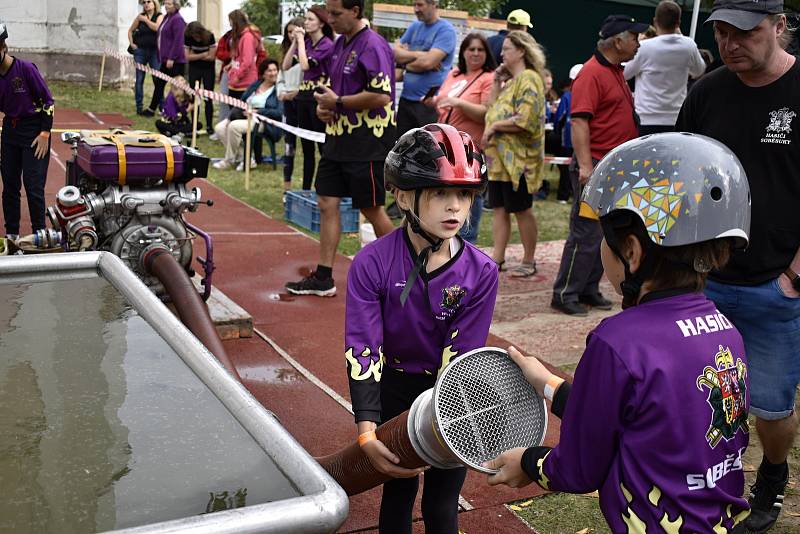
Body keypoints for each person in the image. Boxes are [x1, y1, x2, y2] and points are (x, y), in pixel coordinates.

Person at [484, 132, 752, 533]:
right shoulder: (725, 330)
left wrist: (527, 461)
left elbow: (578, 470)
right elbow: (641, 414)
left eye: (604, 241)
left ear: (632, 250)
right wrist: (547, 384)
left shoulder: (618, 341)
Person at [675, 1, 800, 531]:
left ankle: (772, 475)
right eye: (723, 33)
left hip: (777, 283)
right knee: (702, 393)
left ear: (780, 26)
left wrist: (794, 277)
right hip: (707, 280)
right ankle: (710, 476)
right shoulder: (707, 92)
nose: (731, 44)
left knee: (771, 407)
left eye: (745, 33)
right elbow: (679, 170)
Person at [347, 124, 497, 534]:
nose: (454, 207)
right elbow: (364, 346)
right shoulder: (371, 264)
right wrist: (366, 431)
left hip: (455, 393)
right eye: (439, 193)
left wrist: (444, 419)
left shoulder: (482, 271)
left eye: (464, 195)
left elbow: (462, 352)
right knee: (397, 495)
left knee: (442, 506)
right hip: (393, 387)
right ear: (402, 197)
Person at [285, 0, 396, 297]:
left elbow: (381, 95)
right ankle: (323, 276)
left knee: (371, 208)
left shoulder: (373, 45)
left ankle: (406, 273)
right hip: (337, 137)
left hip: (367, 142)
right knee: (326, 201)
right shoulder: (340, 44)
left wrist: (337, 103)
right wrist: (327, 109)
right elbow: (335, 92)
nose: (329, 20)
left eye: (336, 14)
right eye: (329, 13)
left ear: (355, 11)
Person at [551, 14, 649, 316]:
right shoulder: (592, 73)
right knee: (585, 232)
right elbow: (579, 121)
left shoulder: (614, 70)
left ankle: (589, 288)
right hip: (595, 166)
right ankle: (566, 292)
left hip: (611, 166)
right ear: (618, 41)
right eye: (635, 37)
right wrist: (585, 167)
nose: (638, 43)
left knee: (606, 233)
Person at [482, 30, 546, 278]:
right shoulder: (510, 82)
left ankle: (529, 260)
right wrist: (497, 82)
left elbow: (526, 120)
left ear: (521, 51)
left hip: (519, 161)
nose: (501, 53)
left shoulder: (529, 78)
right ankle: (497, 258)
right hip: (499, 160)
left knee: (521, 209)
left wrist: (495, 127)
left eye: (507, 48)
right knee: (499, 207)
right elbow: (491, 109)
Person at [427, 31, 496, 244]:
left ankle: (466, 251)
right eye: (471, 49)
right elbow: (442, 99)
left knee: (466, 200)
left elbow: (486, 112)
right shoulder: (454, 73)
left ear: (487, 53)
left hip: (468, 151)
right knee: (442, 200)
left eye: (480, 49)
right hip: (443, 147)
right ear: (463, 52)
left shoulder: (488, 78)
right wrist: (434, 101)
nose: (475, 53)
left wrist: (458, 104)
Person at [0, 20, 54, 241]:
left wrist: (44, 134)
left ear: (3, 47)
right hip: (10, 132)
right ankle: (12, 234)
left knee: (33, 187)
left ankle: (39, 235)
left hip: (34, 131)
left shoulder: (26, 69)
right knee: (10, 186)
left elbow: (48, 102)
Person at [624, 1, 706, 135]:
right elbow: (699, 71)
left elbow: (625, 74)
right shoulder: (688, 45)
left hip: (646, 118)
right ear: (678, 23)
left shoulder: (644, 47)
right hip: (676, 117)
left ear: (655, 21)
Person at [282, 5, 334, 190]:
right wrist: (296, 42)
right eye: (305, 19)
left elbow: (305, 66)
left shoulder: (327, 44)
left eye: (310, 19)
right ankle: (305, 189)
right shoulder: (308, 44)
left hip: (317, 97)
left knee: (321, 146)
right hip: (303, 97)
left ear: (321, 22)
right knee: (306, 148)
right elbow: (286, 65)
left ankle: (324, 189)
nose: (306, 22)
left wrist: (301, 42)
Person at [393, 0, 457, 136]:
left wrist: (405, 61)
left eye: (420, 5)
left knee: (428, 150)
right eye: (414, 5)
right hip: (406, 100)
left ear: (434, 4)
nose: (416, 9)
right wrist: (420, 55)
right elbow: (395, 54)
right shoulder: (414, 27)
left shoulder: (445, 30)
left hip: (429, 103)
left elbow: (427, 63)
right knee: (402, 147)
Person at [212, 59, 283, 172]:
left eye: (275, 70)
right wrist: (229, 117)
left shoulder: (279, 90)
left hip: (264, 122)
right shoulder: (256, 85)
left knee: (234, 126)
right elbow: (242, 102)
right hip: (244, 117)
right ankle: (245, 158)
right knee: (220, 128)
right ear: (263, 73)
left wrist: (258, 112)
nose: (273, 73)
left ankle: (229, 160)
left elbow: (278, 113)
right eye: (270, 71)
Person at [277, 17, 305, 191]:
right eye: (289, 31)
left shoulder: (306, 50)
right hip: (288, 102)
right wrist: (282, 92)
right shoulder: (286, 51)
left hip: (302, 100)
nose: (291, 35)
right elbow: (283, 72)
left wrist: (299, 92)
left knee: (308, 146)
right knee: (289, 146)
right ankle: (286, 187)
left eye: (295, 31)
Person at [144, 0, 186, 116]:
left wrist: (172, 58)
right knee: (159, 84)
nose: (166, 6)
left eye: (169, 4)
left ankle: (180, 111)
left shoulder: (178, 19)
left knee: (178, 87)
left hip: (175, 61)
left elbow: (178, 40)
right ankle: (152, 109)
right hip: (165, 58)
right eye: (165, 4)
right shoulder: (167, 17)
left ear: (175, 5)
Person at [128, 0, 163, 116]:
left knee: (157, 79)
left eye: (149, 1)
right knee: (139, 79)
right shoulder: (140, 17)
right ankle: (139, 107)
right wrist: (133, 44)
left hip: (154, 52)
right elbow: (130, 30)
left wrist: (146, 21)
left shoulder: (159, 16)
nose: (146, 4)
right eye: (144, 2)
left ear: (154, 3)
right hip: (140, 51)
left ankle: (162, 107)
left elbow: (157, 28)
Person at [553, 63, 582, 203]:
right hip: (584, 140)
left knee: (565, 169)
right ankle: (579, 196)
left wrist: (557, 132)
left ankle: (563, 196)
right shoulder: (589, 94)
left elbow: (559, 117)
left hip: (568, 140)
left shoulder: (566, 96)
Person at [184, 21, 216, 136]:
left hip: (208, 70)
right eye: (193, 36)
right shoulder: (187, 37)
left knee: (208, 98)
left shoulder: (210, 37)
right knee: (193, 97)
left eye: (197, 35)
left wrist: (195, 55)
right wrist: (203, 54)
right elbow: (187, 56)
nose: (195, 38)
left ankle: (209, 126)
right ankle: (194, 125)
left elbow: (212, 57)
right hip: (194, 69)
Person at [226, 10, 261, 101]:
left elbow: (247, 61)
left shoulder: (247, 37)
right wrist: (231, 65)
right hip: (236, 83)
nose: (231, 27)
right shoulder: (240, 37)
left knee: (240, 113)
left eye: (232, 24)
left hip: (244, 83)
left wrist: (237, 76)